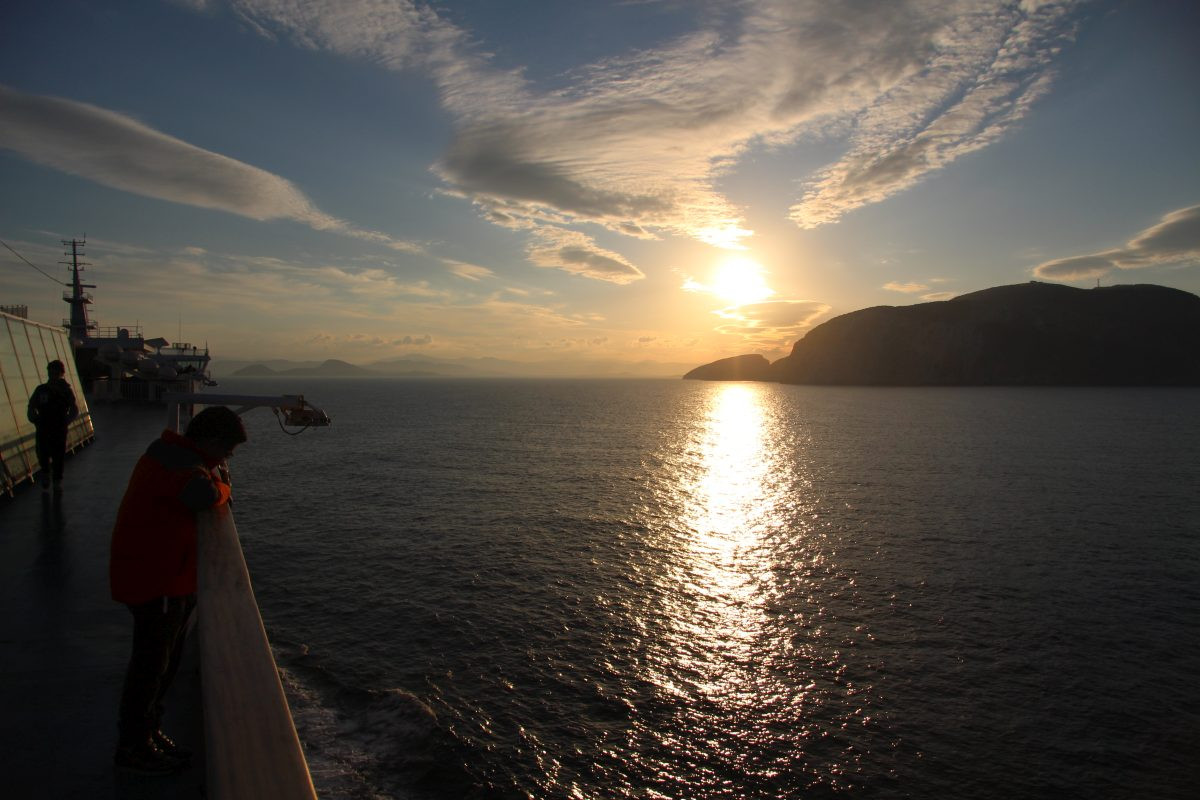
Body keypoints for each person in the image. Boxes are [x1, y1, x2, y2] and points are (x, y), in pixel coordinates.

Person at [109, 406, 247, 774]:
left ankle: (148, 732)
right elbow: (201, 495)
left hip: (157, 575)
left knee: (160, 661)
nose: (226, 458)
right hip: (157, 579)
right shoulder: (176, 463)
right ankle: (134, 746)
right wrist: (224, 486)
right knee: (152, 665)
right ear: (212, 441)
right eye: (227, 451)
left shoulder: (169, 453)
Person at [26, 359, 79, 493]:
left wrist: (66, 421)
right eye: (51, 372)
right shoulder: (41, 390)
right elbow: (32, 406)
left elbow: (74, 409)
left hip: (59, 428)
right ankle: (45, 473)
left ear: (61, 373)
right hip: (43, 426)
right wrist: (34, 419)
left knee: (58, 455)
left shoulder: (66, 391)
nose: (53, 375)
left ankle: (56, 480)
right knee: (42, 452)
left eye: (56, 372)